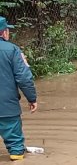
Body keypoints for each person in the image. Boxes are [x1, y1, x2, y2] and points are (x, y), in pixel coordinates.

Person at [0, 16, 38, 161]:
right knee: (16, 149)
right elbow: (24, 78)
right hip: (7, 108)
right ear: (4, 33)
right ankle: (16, 156)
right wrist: (32, 98)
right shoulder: (12, 50)